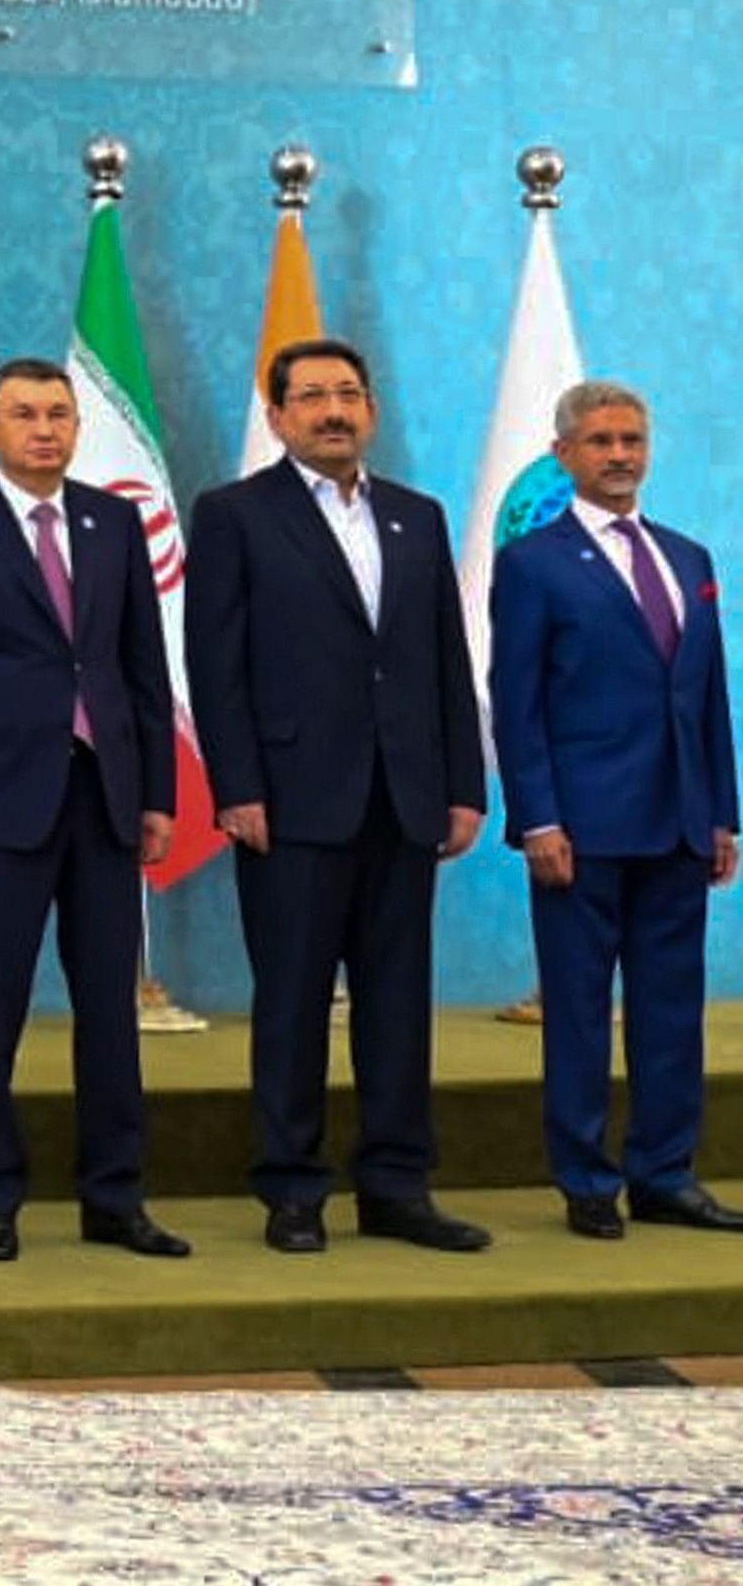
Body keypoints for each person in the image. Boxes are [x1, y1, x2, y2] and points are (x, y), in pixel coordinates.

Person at [187, 336, 487, 1254]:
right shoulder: (236, 514)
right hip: (289, 800)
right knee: (293, 1001)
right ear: (277, 417)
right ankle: (292, 1189)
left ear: (372, 411)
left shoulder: (416, 516)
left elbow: (444, 657)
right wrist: (236, 786)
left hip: (405, 797)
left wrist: (464, 784)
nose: (333, 410)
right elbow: (215, 663)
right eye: (311, 396)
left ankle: (397, 1187)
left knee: (399, 1003)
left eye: (348, 394)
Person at [0, 359, 188, 1264]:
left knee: (110, 1010)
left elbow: (143, 668)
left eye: (58, 414)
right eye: (24, 415)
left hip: (105, 803)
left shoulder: (113, 522)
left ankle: (114, 1196)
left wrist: (158, 795)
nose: (45, 430)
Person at [485, 378, 743, 1239]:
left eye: (632, 439)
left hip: (677, 825)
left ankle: (665, 1174)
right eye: (601, 441)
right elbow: (514, 699)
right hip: (581, 831)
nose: (620, 455)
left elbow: (705, 700)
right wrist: (539, 820)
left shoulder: (688, 558)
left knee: (672, 1011)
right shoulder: (533, 563)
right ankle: (588, 1181)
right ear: (564, 454)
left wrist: (722, 815)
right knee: (581, 1012)